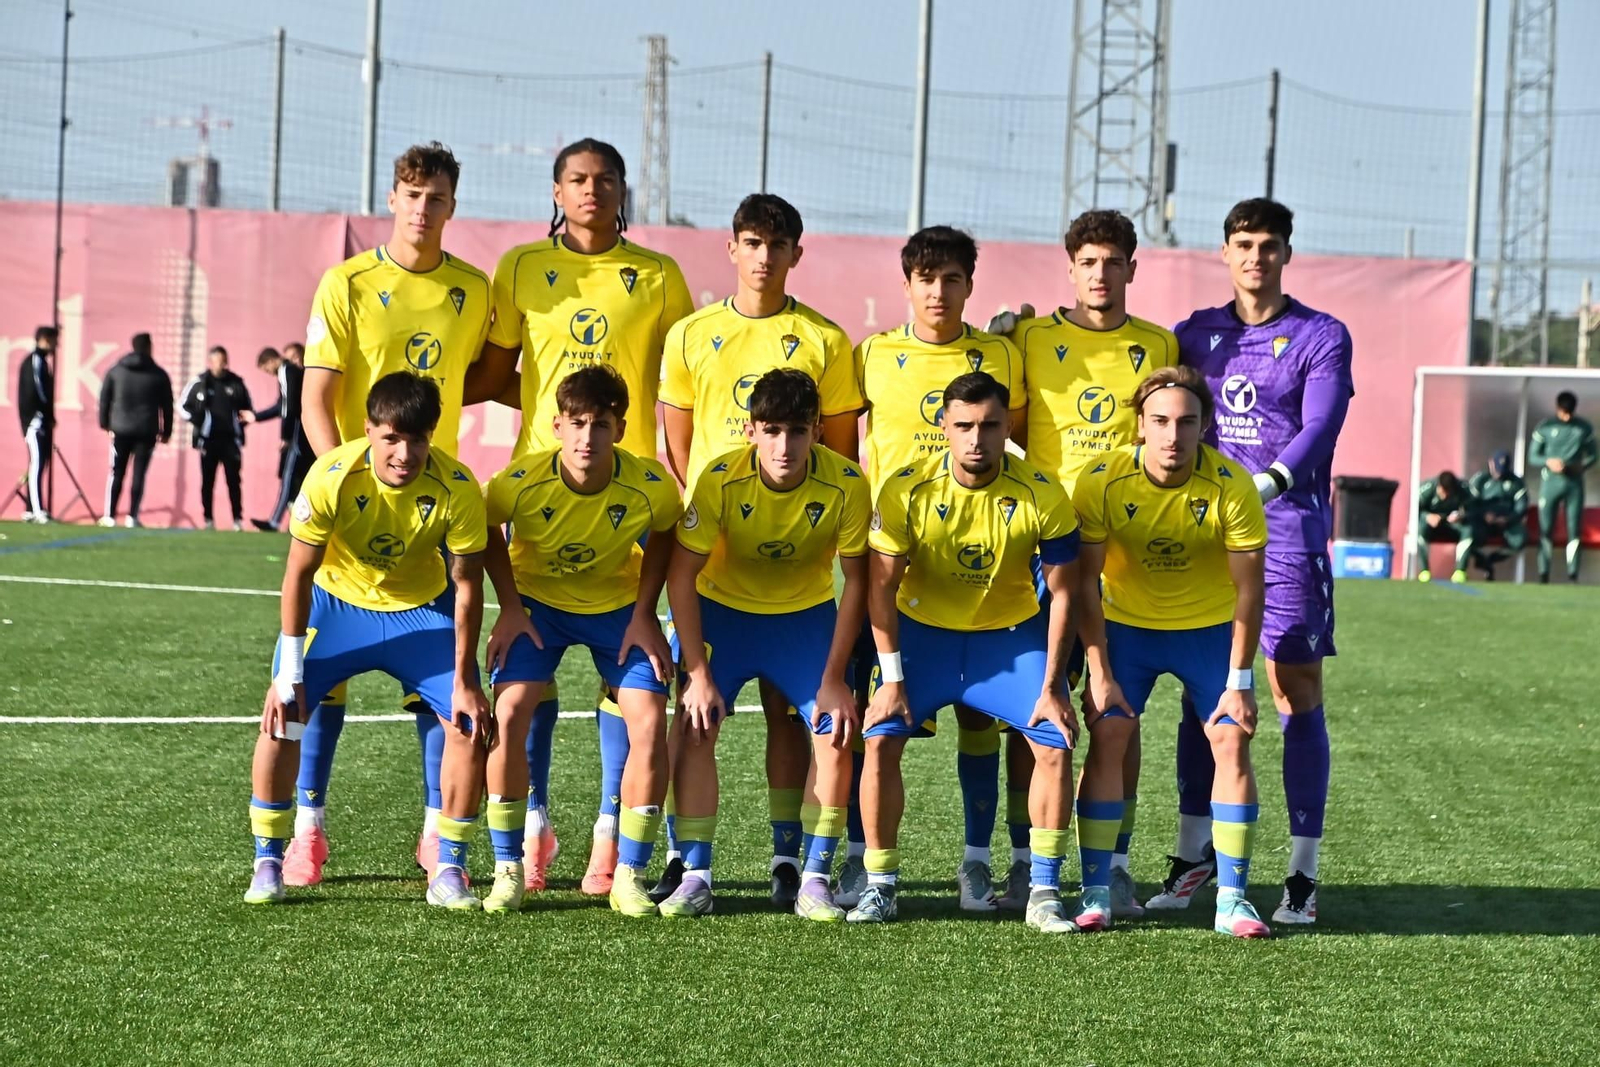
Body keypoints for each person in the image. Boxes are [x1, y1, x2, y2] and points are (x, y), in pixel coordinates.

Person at [473, 138, 694, 896]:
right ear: (556, 191)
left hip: (624, 500)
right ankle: (531, 822)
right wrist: (559, 423)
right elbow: (502, 375)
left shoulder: (659, 275)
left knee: (624, 678)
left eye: (604, 180)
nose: (591, 190)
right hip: (542, 493)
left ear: (623, 189)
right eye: (576, 180)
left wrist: (665, 462)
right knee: (528, 678)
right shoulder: (521, 267)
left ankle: (610, 828)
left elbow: (677, 387)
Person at [286, 141, 497, 890]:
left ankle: (440, 829)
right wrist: (339, 481)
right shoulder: (346, 282)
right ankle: (307, 827)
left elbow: (490, 376)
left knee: (436, 678)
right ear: (393, 198)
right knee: (320, 686)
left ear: (450, 205)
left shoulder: (473, 290)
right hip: (352, 504)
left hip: (429, 513)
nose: (421, 207)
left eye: (435, 196)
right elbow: (316, 395)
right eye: (411, 194)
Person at [657, 192, 863, 906]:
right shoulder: (690, 334)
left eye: (778, 244)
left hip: (801, 589)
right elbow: (678, 438)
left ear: (796, 254)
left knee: (806, 720)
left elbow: (839, 446)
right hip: (719, 567)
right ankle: (694, 867)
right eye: (752, 242)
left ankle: (799, 865)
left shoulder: (827, 340)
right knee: (693, 713)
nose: (765, 256)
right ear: (732, 249)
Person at [243, 372, 491, 909]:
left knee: (469, 725)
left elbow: (468, 587)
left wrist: (467, 680)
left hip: (421, 613)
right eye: (392, 438)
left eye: (418, 439)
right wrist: (288, 669)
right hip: (337, 606)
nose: (405, 453)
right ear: (368, 431)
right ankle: (268, 859)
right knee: (284, 713)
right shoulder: (331, 475)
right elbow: (298, 574)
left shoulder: (460, 487)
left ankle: (450, 865)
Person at [1172, 198, 1353, 926]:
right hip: (1201, 536)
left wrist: (1267, 484)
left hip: (1284, 533)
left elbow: (1321, 422)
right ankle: (1192, 859)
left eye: (1269, 245)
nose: (1256, 257)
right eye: (1243, 244)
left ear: (1286, 253)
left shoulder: (1321, 335)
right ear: (1224, 252)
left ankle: (1302, 874)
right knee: (1201, 689)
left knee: (1291, 687)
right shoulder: (1193, 335)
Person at [854, 371, 1083, 933]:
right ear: (944, 427)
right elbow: (880, 587)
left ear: (1008, 427)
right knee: (880, 740)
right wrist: (891, 678)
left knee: (1054, 741)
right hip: (924, 638)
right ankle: (880, 884)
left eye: (990, 426)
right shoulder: (906, 488)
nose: (977, 439)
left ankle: (1045, 891)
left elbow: (1062, 593)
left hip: (1007, 641)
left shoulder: (1042, 492)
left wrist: (1053, 685)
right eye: (964, 426)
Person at [1002, 208, 1179, 917]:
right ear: (1069, 268)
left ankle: (1116, 865)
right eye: (1088, 263)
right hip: (1043, 552)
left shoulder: (1157, 343)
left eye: (1113, 262)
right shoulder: (1031, 338)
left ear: (1132, 268)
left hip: (1124, 555)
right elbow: (1004, 424)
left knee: (1116, 714)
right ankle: (1024, 861)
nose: (1100, 275)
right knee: (1032, 711)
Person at [851, 224, 1026, 913]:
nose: (938, 291)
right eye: (926, 278)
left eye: (951, 278)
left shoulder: (1002, 355)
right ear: (906, 285)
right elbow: (844, 449)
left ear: (969, 287)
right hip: (897, 561)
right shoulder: (872, 355)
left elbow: (1025, 442)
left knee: (982, 719)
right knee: (876, 715)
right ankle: (866, 867)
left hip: (984, 558)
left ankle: (978, 862)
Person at [1071, 366, 1272, 937]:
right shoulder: (1101, 482)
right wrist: (1098, 668)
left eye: (1186, 422)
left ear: (1205, 427)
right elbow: (1085, 584)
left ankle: (1232, 899)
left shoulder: (1232, 487)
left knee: (1231, 737)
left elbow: (1249, 591)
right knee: (1109, 730)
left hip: (1208, 629)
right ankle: (1097, 888)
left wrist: (1240, 680)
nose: (1172, 435)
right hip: (1126, 628)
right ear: (1139, 426)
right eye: (1159, 421)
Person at [665, 368, 870, 920]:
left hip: (803, 622)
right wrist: (698, 672)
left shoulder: (848, 482)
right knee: (693, 725)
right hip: (723, 616)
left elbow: (858, 581)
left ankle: (815, 877)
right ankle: (697, 875)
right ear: (752, 429)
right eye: (772, 430)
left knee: (836, 732)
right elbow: (680, 576)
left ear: (818, 431)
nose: (785, 446)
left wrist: (834, 679)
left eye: (797, 431)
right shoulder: (719, 478)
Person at [479, 366, 680, 916]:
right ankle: (507, 867)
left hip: (616, 611)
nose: (586, 438)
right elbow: (486, 531)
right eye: (576, 424)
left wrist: (645, 614)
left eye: (600, 424)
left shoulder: (651, 485)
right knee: (511, 711)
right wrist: (510, 608)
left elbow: (665, 537)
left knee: (649, 721)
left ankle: (630, 872)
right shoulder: (518, 483)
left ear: (620, 427)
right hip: (537, 609)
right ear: (555, 426)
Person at [97, 332, 173, 528]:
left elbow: (105, 398)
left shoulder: (116, 371)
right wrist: (167, 431)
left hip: (120, 429)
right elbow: (167, 405)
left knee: (117, 472)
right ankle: (132, 516)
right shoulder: (158, 374)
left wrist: (104, 423)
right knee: (139, 473)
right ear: (149, 347)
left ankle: (110, 515)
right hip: (147, 430)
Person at [180, 345, 254, 530]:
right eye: (217, 361)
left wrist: (239, 424)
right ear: (210, 362)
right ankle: (208, 520)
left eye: (224, 361)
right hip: (208, 441)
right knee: (207, 481)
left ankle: (237, 520)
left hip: (230, 441)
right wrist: (199, 421)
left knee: (234, 482)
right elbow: (182, 406)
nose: (221, 364)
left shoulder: (237, 383)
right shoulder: (200, 382)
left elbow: (248, 410)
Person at [1528, 391, 1597, 583]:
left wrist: (1581, 465)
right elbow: (1533, 456)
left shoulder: (1583, 428)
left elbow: (1593, 455)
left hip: (1574, 484)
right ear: (1558, 409)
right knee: (1546, 528)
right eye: (1564, 412)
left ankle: (1573, 574)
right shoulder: (1546, 427)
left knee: (1574, 528)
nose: (1566, 417)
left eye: (1570, 413)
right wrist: (1548, 461)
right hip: (1550, 484)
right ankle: (1543, 574)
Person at [251, 343, 313, 532]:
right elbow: (282, 405)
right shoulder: (291, 372)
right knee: (299, 477)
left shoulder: (286, 371)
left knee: (289, 475)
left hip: (297, 432)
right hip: (303, 430)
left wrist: (285, 436)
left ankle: (275, 521)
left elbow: (288, 408)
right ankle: (297, 519)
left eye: (266, 369)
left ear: (270, 361)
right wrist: (256, 416)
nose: (269, 373)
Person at [1466, 450, 1529, 579]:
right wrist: (1483, 515)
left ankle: (1492, 559)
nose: (1499, 474)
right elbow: (1470, 504)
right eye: (1497, 469)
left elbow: (1521, 507)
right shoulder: (1480, 480)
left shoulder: (1516, 483)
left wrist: (1507, 519)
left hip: (1506, 522)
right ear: (1490, 464)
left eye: (1502, 470)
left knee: (1520, 540)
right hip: (1483, 522)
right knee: (1467, 535)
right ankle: (1481, 560)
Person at [16, 326, 55, 523]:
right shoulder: (35, 360)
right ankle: (36, 510)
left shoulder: (41, 361)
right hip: (35, 422)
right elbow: (38, 392)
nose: (57, 345)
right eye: (54, 340)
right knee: (37, 463)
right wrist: (44, 415)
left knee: (40, 463)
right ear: (45, 340)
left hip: (40, 421)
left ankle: (32, 509)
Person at [1414, 471, 1475, 583]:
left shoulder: (1463, 489)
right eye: (1443, 491)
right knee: (1421, 530)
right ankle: (1424, 571)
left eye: (1449, 492)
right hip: (1432, 525)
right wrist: (1427, 516)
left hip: (1452, 524)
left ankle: (1460, 571)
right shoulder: (1427, 489)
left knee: (1468, 530)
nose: (1445, 495)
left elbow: (1472, 508)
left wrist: (1461, 515)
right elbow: (1414, 510)